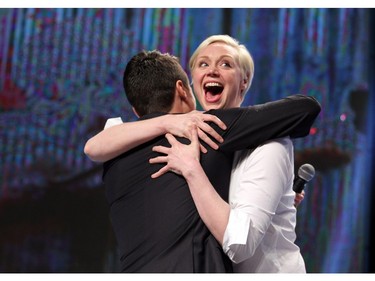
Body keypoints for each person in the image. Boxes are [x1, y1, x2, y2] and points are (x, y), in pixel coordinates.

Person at [84, 49, 320, 272]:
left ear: (136, 112)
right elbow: (305, 109)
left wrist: (271, 197)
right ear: (182, 89)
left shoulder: (114, 155)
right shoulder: (204, 127)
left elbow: (93, 147)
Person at [150, 35, 309, 272]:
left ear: (243, 82)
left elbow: (240, 244)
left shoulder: (270, 144)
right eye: (203, 64)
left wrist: (191, 169)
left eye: (225, 64)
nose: (212, 70)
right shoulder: (191, 141)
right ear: (192, 81)